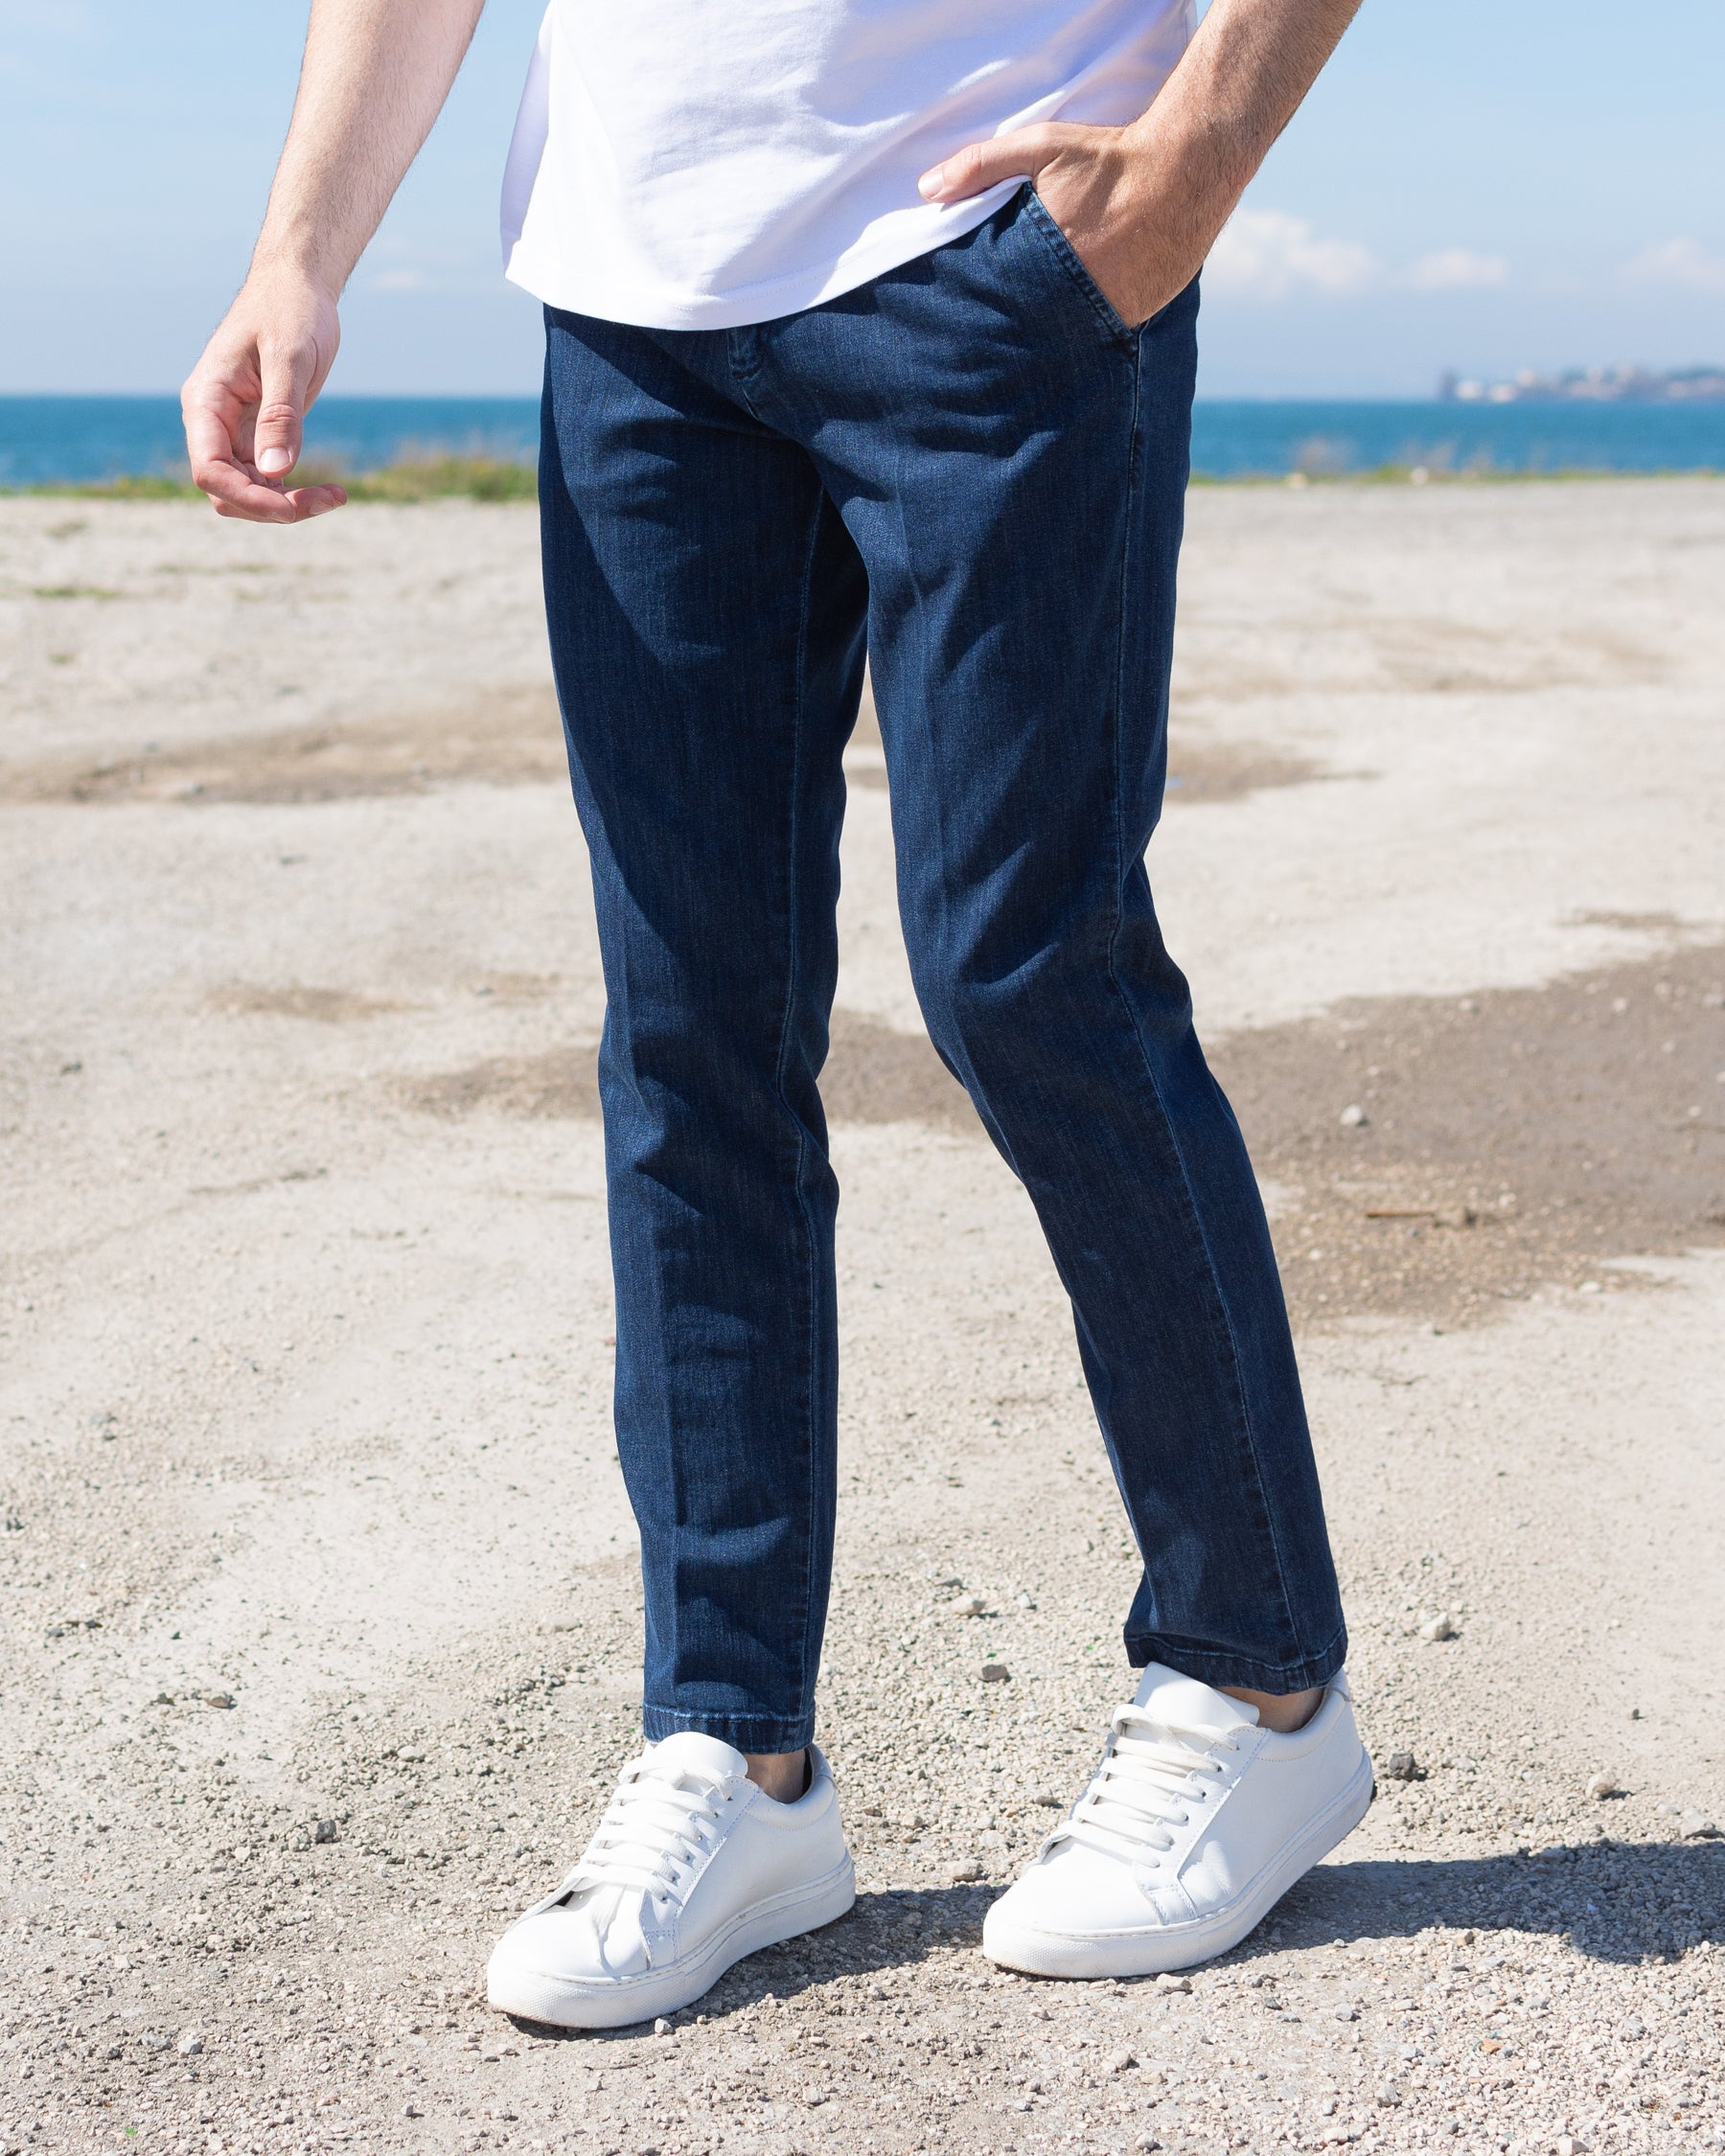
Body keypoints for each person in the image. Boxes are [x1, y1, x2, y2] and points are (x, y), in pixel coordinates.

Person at [184, 0, 1370, 2030]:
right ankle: (734, 1756)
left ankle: (1258, 1685)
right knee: (688, 1028)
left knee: (1031, 973)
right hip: (631, 301)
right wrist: (298, 249)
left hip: (997, 252)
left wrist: (1188, 165)